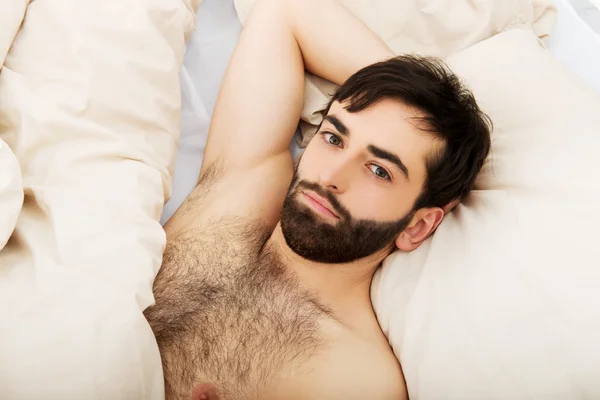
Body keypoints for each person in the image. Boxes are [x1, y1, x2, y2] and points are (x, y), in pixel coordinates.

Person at [143, 0, 491, 398]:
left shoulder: (354, 378)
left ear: (417, 225)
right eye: (333, 138)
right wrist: (409, 92)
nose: (329, 177)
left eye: (379, 170)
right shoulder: (238, 191)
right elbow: (286, 12)